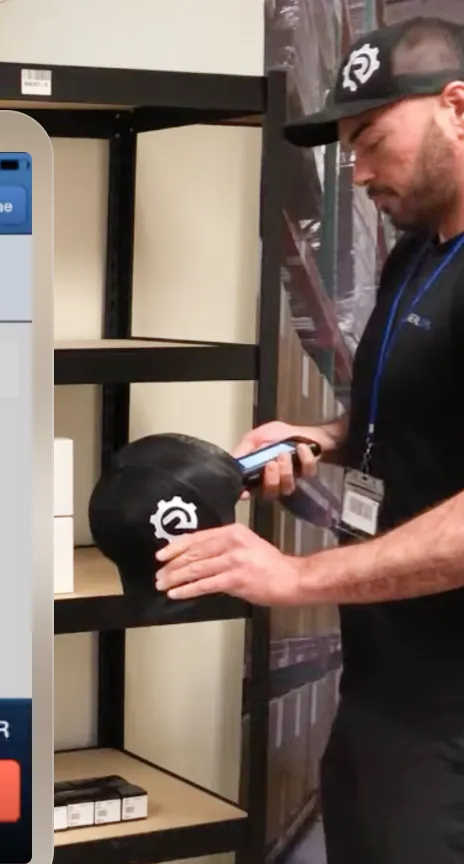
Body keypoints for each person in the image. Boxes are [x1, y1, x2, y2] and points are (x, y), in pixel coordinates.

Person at [154, 16, 464, 864]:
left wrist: (293, 577)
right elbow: (422, 412)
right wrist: (322, 437)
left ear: (458, 107)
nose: (356, 170)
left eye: (372, 140)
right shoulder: (418, 249)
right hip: (381, 689)